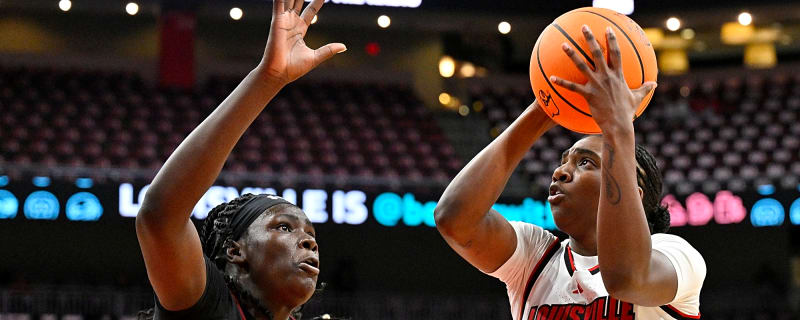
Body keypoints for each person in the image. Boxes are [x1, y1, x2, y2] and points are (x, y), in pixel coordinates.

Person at [434, 26, 706, 320]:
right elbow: (454, 219)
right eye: (564, 161)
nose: (561, 171)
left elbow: (627, 278)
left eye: (586, 162)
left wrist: (617, 128)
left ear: (635, 193)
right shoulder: (535, 256)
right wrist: (544, 108)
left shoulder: (676, 254)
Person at [135, 0, 346, 319]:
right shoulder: (209, 307)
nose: (308, 242)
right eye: (285, 228)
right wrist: (269, 78)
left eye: (310, 236)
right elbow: (160, 215)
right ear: (236, 251)